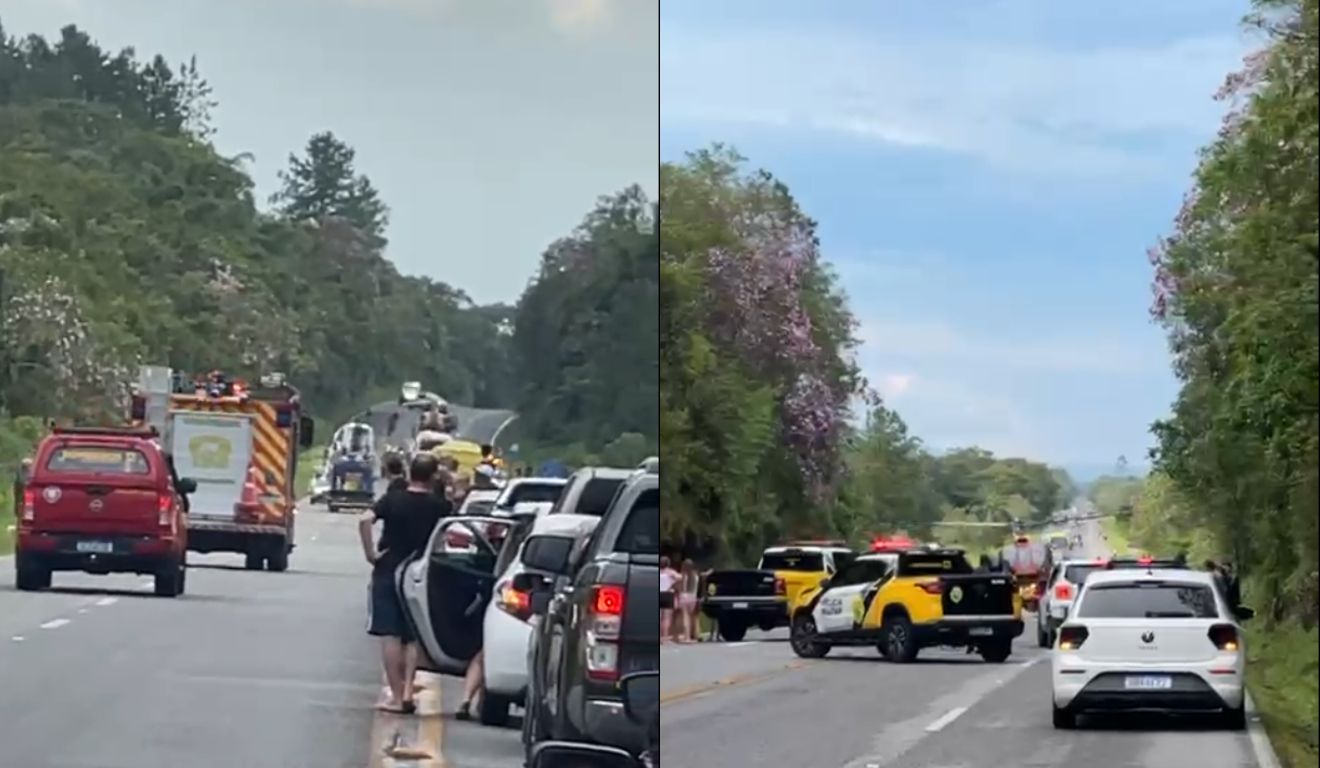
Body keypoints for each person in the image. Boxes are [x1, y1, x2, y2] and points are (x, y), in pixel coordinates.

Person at [358, 453, 452, 714]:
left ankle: (397, 696)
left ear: (410, 473)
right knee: (412, 635)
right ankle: (409, 689)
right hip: (420, 572)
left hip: (389, 567)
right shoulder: (439, 507)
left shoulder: (393, 499)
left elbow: (365, 519)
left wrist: (370, 555)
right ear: (433, 477)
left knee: (389, 632)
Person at [677, 559, 700, 643]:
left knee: (685, 618)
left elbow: (681, 587)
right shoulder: (696, 576)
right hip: (693, 597)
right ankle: (691, 636)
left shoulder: (683, 575)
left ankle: (686, 637)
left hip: (684, 597)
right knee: (691, 618)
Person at [659, 556, 679, 643]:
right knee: (666, 618)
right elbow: (680, 577)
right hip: (668, 594)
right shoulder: (670, 572)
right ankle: (665, 637)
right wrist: (673, 583)